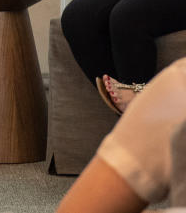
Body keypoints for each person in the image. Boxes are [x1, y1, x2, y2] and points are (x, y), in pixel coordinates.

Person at [57, 57, 186, 213]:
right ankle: (133, 101)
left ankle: (137, 100)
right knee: (79, 31)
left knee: (126, 31)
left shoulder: (178, 88)